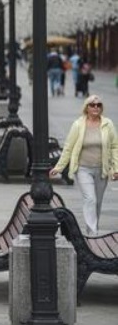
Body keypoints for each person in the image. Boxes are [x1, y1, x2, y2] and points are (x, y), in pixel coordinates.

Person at [50, 95, 118, 235]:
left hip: (102, 169)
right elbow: (68, 147)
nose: (96, 107)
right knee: (90, 199)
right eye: (92, 105)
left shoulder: (108, 124)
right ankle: (92, 233)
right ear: (86, 107)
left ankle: (92, 228)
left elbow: (114, 146)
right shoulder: (78, 125)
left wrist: (116, 168)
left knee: (97, 202)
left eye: (98, 105)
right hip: (83, 169)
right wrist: (59, 167)